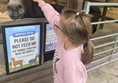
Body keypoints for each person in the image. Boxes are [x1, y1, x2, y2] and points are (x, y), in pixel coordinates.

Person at [33, 0, 94, 83]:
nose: (56, 23)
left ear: (66, 37)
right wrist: (42, 3)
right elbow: (53, 17)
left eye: (58, 25)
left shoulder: (72, 66)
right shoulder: (73, 39)